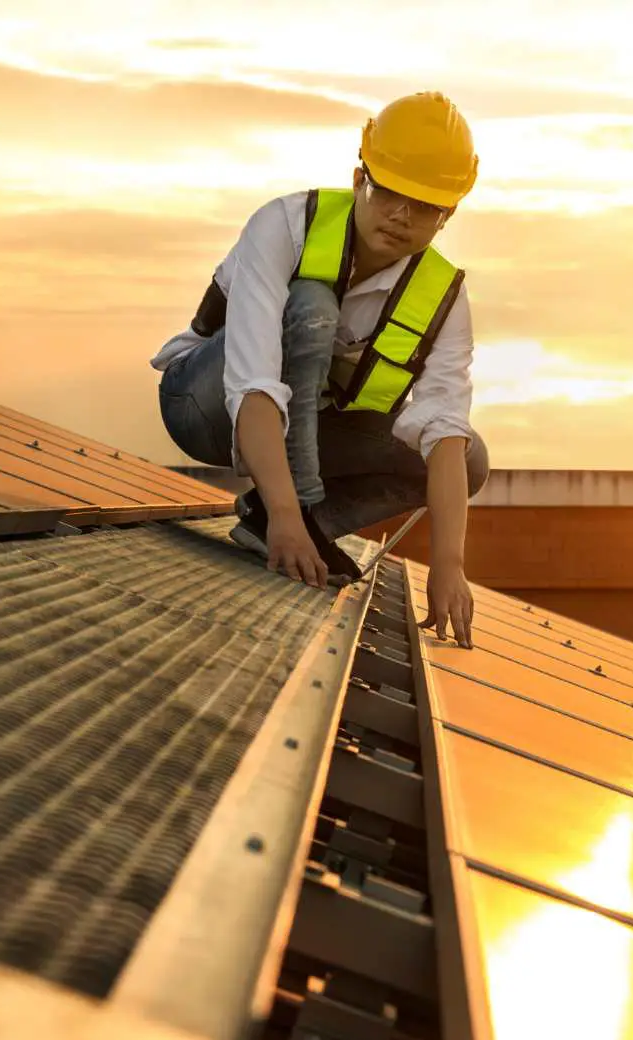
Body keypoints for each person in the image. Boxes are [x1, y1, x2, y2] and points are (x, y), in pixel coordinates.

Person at [152, 90, 489, 646]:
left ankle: (273, 523)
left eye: (425, 205)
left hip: (303, 429)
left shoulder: (445, 299)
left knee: (469, 456)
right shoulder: (285, 225)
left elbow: (445, 434)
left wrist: (450, 564)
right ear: (360, 180)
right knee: (311, 307)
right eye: (388, 193)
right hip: (205, 404)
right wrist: (292, 508)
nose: (402, 215)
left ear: (447, 215)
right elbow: (253, 382)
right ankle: (293, 515)